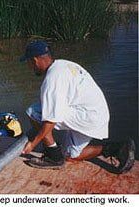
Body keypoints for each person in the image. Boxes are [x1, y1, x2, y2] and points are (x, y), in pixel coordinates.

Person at [20, 40, 135, 172]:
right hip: (96, 113)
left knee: (33, 112)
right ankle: (116, 148)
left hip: (87, 116)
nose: (30, 67)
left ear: (35, 60)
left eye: (29, 63)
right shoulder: (62, 64)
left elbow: (50, 120)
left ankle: (54, 157)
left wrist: (32, 143)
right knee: (70, 155)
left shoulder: (52, 79)